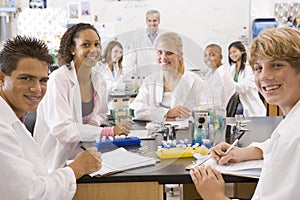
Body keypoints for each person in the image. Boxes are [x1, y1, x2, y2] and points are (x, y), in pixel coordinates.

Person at [190, 27, 300, 199]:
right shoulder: (293, 119)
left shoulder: (294, 136)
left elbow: (288, 145)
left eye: (276, 65)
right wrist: (243, 152)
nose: (265, 76)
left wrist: (215, 196)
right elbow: (276, 144)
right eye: (258, 68)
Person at [0, 35, 101, 199]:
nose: (37, 89)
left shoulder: (14, 117)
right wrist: (76, 169)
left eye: (43, 80)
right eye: (26, 78)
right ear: (1, 78)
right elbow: (30, 194)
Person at [34, 23, 131, 172]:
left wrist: (93, 122)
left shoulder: (99, 79)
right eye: (86, 45)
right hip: (56, 162)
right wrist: (109, 132)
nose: (94, 50)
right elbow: (63, 130)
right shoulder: (58, 80)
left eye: (97, 44)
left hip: (86, 157)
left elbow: (101, 113)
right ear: (73, 49)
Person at [131, 32, 210, 122]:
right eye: (160, 52)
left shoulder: (195, 81)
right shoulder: (150, 81)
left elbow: (208, 110)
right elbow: (136, 110)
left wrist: (184, 116)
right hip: (156, 134)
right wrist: (167, 113)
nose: (163, 58)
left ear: (180, 56)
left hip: (187, 134)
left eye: (169, 53)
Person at [227, 41, 266, 117]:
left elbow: (245, 86)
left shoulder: (249, 67)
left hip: (250, 106)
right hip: (236, 104)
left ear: (242, 51)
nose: (232, 55)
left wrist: (230, 85)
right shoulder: (231, 69)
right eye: (230, 53)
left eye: (234, 52)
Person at [123, 9, 163, 76]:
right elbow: (130, 61)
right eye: (149, 21)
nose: (152, 23)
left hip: (161, 77)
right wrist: (128, 78)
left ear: (159, 21)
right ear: (146, 22)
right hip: (143, 77)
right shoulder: (137, 38)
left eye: (155, 20)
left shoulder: (165, 37)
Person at [204, 44, 235, 116]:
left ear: (221, 57)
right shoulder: (212, 72)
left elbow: (217, 104)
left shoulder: (220, 75)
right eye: (205, 55)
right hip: (213, 112)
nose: (208, 58)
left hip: (218, 117)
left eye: (212, 55)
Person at [94, 40, 125, 110]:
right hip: (100, 106)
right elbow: (108, 87)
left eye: (121, 52)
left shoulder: (118, 68)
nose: (119, 55)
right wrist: (121, 83)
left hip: (113, 105)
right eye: (116, 51)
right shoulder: (100, 67)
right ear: (109, 51)